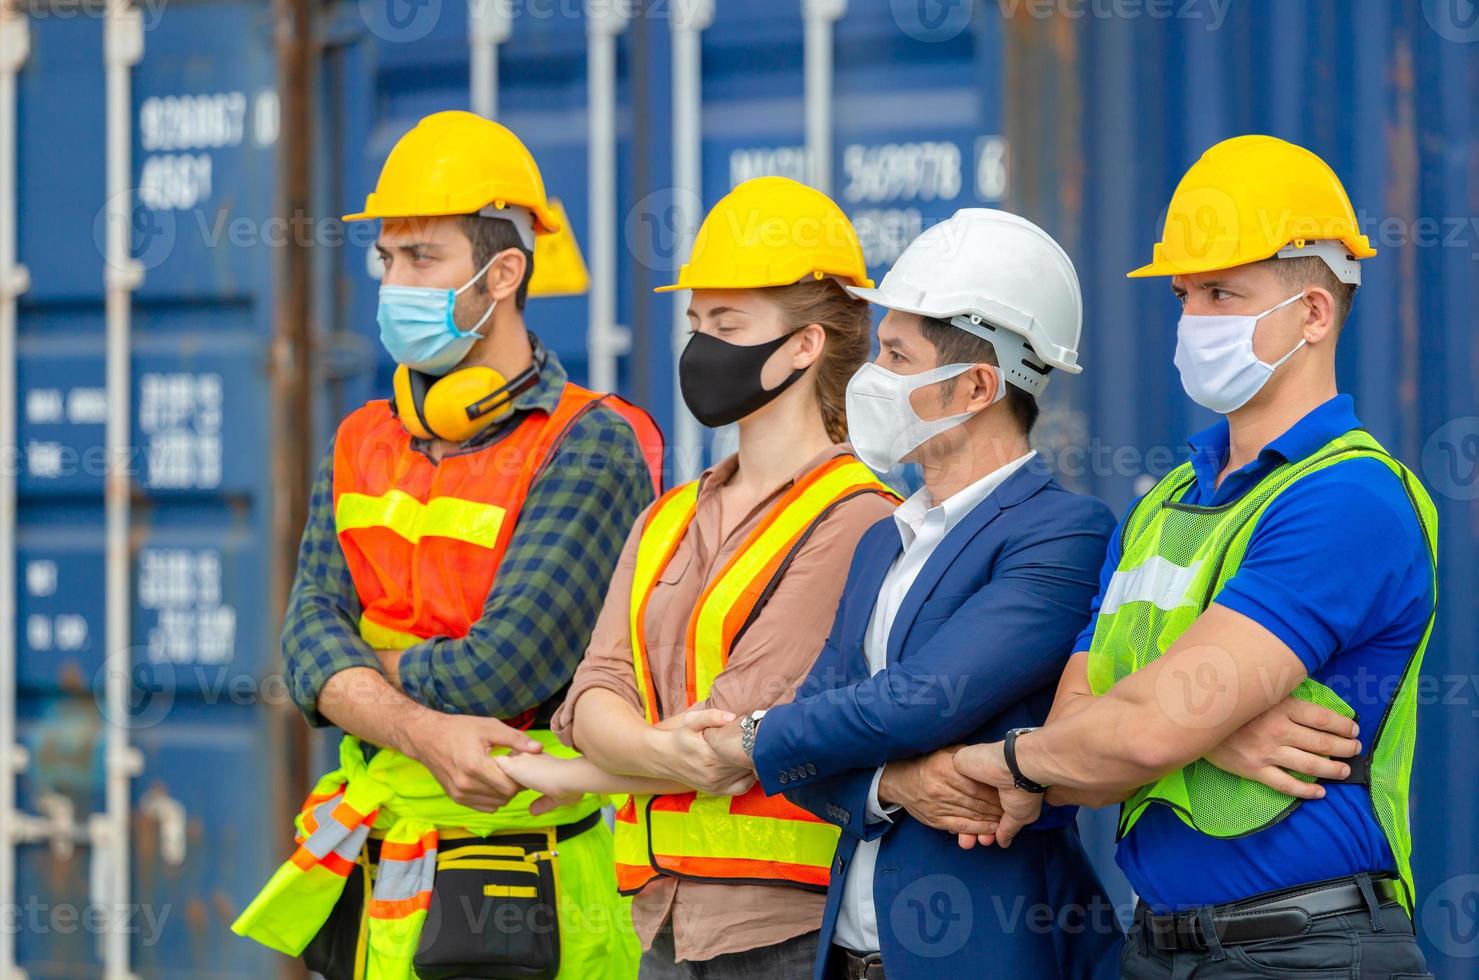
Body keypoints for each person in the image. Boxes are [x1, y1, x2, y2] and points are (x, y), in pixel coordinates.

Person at [954, 135, 1438, 979]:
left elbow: (1133, 734)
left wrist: (1010, 758)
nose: (1193, 320)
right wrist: (1206, 731)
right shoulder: (1160, 503)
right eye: (1183, 295)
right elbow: (1089, 747)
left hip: (1306, 951)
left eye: (1223, 292)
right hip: (1157, 946)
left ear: (1314, 313)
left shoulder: (1346, 498)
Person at [232, 111, 662, 979]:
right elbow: (302, 643)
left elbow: (496, 673)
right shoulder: (361, 436)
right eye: (387, 259)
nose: (394, 284)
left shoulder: (588, 444)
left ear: (503, 273)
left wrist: (355, 675)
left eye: (421, 260)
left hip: (527, 891)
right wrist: (415, 723)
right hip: (384, 873)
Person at [702, 209, 1124, 978]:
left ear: (974, 385)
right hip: (847, 956)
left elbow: (921, 698)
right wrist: (893, 784)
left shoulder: (1061, 533)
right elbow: (819, 750)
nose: (871, 377)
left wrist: (752, 735)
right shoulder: (881, 541)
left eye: (896, 356)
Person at [536, 176, 902, 978]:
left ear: (805, 345)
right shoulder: (664, 519)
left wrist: (584, 765)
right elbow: (591, 689)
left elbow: (733, 736)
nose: (701, 346)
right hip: (658, 924)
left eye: (727, 323)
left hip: (781, 932)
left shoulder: (855, 518)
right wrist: (620, 743)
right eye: (696, 321)